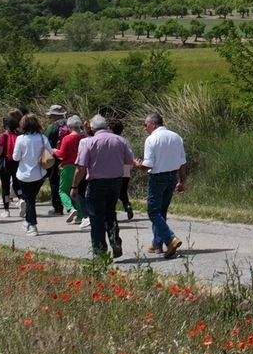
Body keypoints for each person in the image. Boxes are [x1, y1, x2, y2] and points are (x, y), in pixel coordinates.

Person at [77, 116, 137, 265]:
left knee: (96, 216)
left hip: (96, 182)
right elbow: (130, 161)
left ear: (92, 127)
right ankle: (114, 239)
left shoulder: (89, 142)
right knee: (110, 212)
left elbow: (81, 167)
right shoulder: (120, 140)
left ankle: (100, 252)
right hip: (116, 181)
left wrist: (74, 185)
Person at [140, 112, 188, 258]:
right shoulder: (176, 137)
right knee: (162, 211)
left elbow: (148, 164)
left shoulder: (151, 139)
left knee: (153, 212)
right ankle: (157, 244)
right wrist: (182, 180)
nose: (145, 128)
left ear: (152, 124)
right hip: (172, 176)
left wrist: (137, 165)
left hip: (158, 177)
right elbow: (182, 162)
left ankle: (170, 238)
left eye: (145, 125)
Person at [12, 116, 52, 236]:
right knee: (31, 199)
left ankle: (32, 225)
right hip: (39, 174)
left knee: (30, 201)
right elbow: (50, 154)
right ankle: (28, 221)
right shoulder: (42, 137)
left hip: (24, 175)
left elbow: (16, 157)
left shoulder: (20, 139)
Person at [56, 115, 86, 225]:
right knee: (77, 191)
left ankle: (70, 208)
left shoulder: (67, 138)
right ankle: (80, 216)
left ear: (69, 126)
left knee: (63, 191)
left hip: (68, 167)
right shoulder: (84, 138)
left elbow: (61, 154)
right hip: (81, 167)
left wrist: (54, 150)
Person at [0, 111, 22, 214]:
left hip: (5, 163)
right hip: (16, 163)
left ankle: (6, 210)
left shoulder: (4, 136)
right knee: (17, 184)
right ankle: (21, 199)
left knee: (5, 187)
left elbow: (0, 151)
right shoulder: (19, 135)